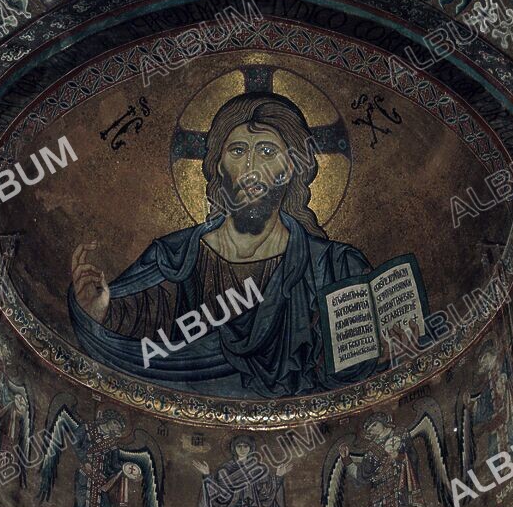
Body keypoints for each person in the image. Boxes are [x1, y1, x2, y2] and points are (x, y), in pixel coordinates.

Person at [69, 93, 380, 397]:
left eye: (267, 151)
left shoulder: (334, 267)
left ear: (289, 169)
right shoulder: (174, 258)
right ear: (219, 164)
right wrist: (97, 311)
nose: (251, 168)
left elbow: (345, 373)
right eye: (238, 151)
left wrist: (381, 349)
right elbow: (130, 334)